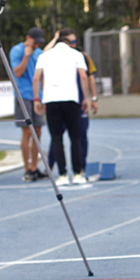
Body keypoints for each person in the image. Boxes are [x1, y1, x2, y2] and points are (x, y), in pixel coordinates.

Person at [32, 28, 90, 186]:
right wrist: (86, 98)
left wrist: (37, 99)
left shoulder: (45, 56)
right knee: (75, 137)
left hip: (51, 101)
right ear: (68, 42)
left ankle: (62, 175)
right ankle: (78, 173)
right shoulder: (76, 54)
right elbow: (83, 76)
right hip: (71, 99)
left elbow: (36, 77)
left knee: (56, 138)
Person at [43, 30, 100, 173]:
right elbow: (44, 53)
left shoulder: (81, 56)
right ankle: (51, 165)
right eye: (71, 41)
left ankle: (81, 166)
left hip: (78, 99)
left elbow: (89, 77)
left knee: (80, 135)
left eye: (75, 41)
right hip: (59, 99)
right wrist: (55, 38)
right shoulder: (53, 56)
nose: (74, 44)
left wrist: (93, 98)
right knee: (56, 136)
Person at [10, 27, 47, 182]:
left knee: (37, 132)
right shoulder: (17, 51)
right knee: (27, 132)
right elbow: (17, 72)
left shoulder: (40, 53)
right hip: (22, 95)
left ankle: (34, 167)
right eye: (35, 42)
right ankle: (27, 169)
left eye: (39, 43)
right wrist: (27, 55)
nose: (37, 45)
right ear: (28, 38)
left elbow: (43, 76)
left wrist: (44, 97)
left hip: (37, 96)